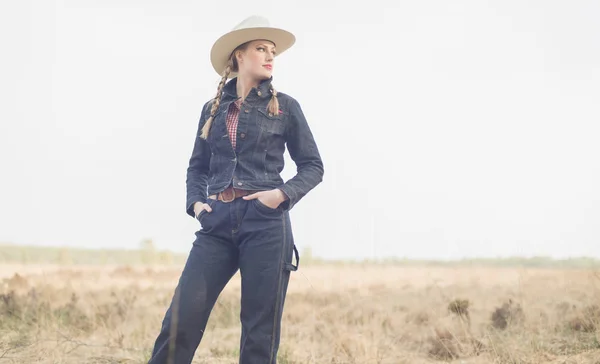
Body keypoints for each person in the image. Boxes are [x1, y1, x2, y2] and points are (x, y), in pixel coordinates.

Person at [148, 15, 324, 364]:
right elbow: (197, 167)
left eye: (272, 51)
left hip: (266, 224)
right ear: (239, 56)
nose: (269, 56)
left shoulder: (286, 107)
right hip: (216, 222)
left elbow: (313, 166)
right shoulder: (211, 109)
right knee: (181, 320)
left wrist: (280, 196)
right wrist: (197, 204)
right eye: (260, 49)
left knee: (260, 332)